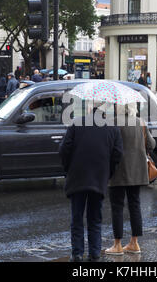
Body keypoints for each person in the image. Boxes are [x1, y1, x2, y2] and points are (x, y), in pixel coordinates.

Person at [59, 104, 123, 262]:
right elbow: (118, 154)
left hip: (77, 177)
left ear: (90, 111)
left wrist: (69, 169)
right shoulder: (113, 129)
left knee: (77, 218)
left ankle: (77, 253)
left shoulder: (76, 123)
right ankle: (94, 252)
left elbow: (64, 149)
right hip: (99, 178)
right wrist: (108, 173)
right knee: (95, 218)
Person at [105, 104, 155, 256]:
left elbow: (108, 145)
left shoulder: (113, 122)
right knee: (135, 205)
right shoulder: (140, 122)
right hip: (136, 171)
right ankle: (134, 243)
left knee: (117, 207)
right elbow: (151, 144)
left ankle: (117, 245)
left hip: (118, 171)